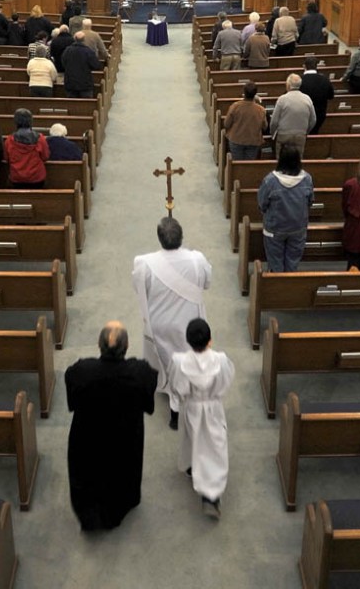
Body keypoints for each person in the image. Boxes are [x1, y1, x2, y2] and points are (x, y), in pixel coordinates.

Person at [65, 321, 157, 532]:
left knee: (89, 469)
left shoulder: (81, 371)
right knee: (123, 468)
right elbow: (147, 398)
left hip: (88, 433)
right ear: (126, 347)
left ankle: (90, 513)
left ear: (99, 345)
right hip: (125, 435)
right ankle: (121, 504)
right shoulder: (139, 372)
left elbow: (72, 397)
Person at [132, 217, 212, 430]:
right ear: (181, 237)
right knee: (188, 360)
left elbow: (138, 288)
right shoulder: (197, 260)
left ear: (159, 239)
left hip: (160, 324)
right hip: (189, 322)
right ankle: (183, 404)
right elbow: (207, 283)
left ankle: (173, 403)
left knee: (168, 363)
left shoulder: (144, 263)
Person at [168, 318, 235, 521]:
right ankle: (211, 496)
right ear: (210, 341)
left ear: (188, 341)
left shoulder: (179, 361)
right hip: (213, 407)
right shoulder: (221, 360)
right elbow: (226, 381)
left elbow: (176, 386)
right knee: (215, 445)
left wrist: (184, 398)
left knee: (192, 437)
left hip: (192, 407)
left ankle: (191, 466)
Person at [257, 143, 314, 272]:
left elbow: (262, 203)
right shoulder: (307, 179)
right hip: (298, 227)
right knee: (292, 263)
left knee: (275, 263)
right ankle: (289, 285)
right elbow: (310, 201)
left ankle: (277, 286)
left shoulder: (270, 181)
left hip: (275, 228)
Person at [269, 73, 316, 156]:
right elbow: (313, 120)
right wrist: (305, 132)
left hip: (284, 134)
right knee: (297, 160)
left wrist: (273, 134)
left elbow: (274, 121)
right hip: (300, 135)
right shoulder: (307, 99)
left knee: (282, 160)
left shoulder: (282, 99)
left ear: (288, 85)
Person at [3, 108, 50, 188]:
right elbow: (45, 156)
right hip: (37, 178)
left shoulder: (9, 140)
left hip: (17, 178)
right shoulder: (40, 138)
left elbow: (6, 158)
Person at [223, 81, 267, 160]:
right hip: (253, 141)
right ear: (255, 94)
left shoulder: (235, 106)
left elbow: (226, 124)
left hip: (236, 139)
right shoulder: (261, 110)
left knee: (237, 163)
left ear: (244, 92)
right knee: (248, 165)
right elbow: (264, 127)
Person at [299, 54, 335, 134]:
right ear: (316, 66)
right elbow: (331, 96)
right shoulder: (325, 79)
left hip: (302, 115)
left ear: (304, 66)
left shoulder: (299, 80)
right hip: (319, 114)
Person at [61, 30, 102, 97]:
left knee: (71, 104)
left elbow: (63, 63)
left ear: (74, 39)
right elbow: (96, 65)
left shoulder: (67, 50)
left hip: (71, 83)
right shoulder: (88, 51)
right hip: (85, 83)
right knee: (86, 105)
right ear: (84, 40)